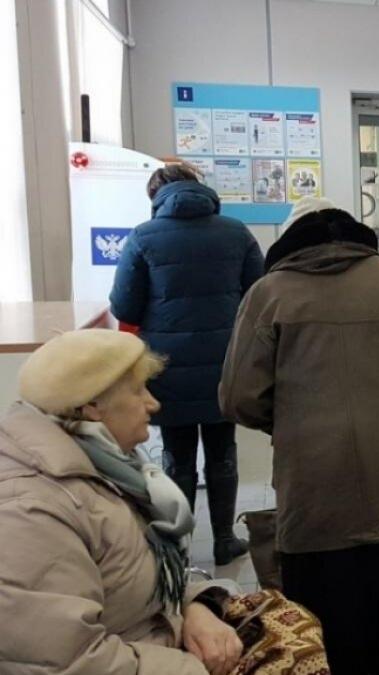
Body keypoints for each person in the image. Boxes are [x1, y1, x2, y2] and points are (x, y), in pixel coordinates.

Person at [219, 197, 379, 674]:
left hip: (314, 489)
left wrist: (287, 421)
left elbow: (238, 396)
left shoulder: (269, 293)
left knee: (321, 632)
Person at [0, 330, 242, 674]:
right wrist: (192, 667)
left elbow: (129, 582)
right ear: (92, 407)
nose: (153, 404)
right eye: (139, 390)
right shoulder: (31, 510)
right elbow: (70, 663)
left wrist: (196, 607)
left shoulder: (105, 469)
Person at [109, 164, 264, 566]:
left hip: (168, 364)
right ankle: (225, 540)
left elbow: (125, 307)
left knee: (177, 456)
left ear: (156, 197)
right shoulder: (236, 232)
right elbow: (260, 295)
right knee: (222, 450)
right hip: (224, 359)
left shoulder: (143, 236)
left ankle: (181, 548)